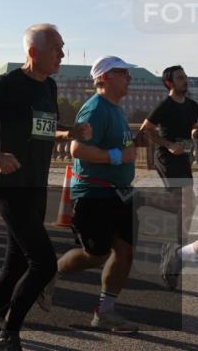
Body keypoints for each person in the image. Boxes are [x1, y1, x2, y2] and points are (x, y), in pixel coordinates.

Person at [0, 23, 87, 351]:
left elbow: (44, 129)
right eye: (56, 48)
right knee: (44, 263)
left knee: (16, 264)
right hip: (10, 185)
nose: (62, 53)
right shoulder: (7, 85)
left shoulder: (50, 86)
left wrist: (68, 134)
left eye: (62, 46)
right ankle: (7, 333)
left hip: (37, 185)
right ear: (33, 53)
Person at [49, 56, 139, 333]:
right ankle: (47, 273)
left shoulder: (116, 109)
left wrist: (131, 148)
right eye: (123, 73)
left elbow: (119, 145)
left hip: (120, 193)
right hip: (95, 193)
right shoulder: (95, 108)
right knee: (97, 254)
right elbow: (76, 149)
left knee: (125, 252)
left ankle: (106, 311)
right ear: (105, 77)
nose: (129, 78)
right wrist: (117, 156)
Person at [140, 65, 198, 244]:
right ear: (169, 83)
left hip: (183, 157)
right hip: (166, 157)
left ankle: (143, 198)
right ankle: (181, 246)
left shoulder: (192, 105)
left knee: (188, 203)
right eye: (180, 78)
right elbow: (146, 130)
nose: (185, 80)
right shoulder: (164, 106)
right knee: (185, 200)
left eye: (185, 76)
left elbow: (192, 128)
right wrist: (169, 144)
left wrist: (196, 132)